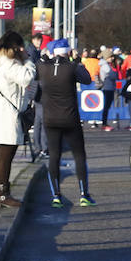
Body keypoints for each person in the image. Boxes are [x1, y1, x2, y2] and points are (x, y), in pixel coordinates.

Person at [0, 32, 35, 208]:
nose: (22, 50)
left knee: (4, 153)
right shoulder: (9, 63)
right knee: (6, 153)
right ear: (14, 47)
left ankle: (3, 191)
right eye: (20, 47)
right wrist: (28, 61)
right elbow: (27, 77)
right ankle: (2, 194)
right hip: (7, 114)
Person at [37, 39, 94, 206]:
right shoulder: (72, 67)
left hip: (50, 118)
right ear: (69, 51)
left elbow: (36, 67)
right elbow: (87, 79)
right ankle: (84, 194)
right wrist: (77, 61)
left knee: (54, 155)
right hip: (70, 118)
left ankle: (56, 196)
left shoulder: (43, 67)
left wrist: (45, 58)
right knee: (79, 155)